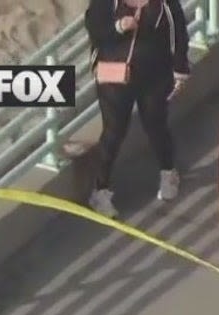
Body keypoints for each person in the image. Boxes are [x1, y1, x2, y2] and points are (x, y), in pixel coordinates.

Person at [84, 0, 191, 218]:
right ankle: (100, 190)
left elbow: (179, 36)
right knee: (113, 133)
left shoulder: (166, 5)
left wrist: (180, 72)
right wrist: (118, 27)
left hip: (154, 77)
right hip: (113, 76)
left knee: (156, 125)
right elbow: (94, 28)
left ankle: (168, 172)